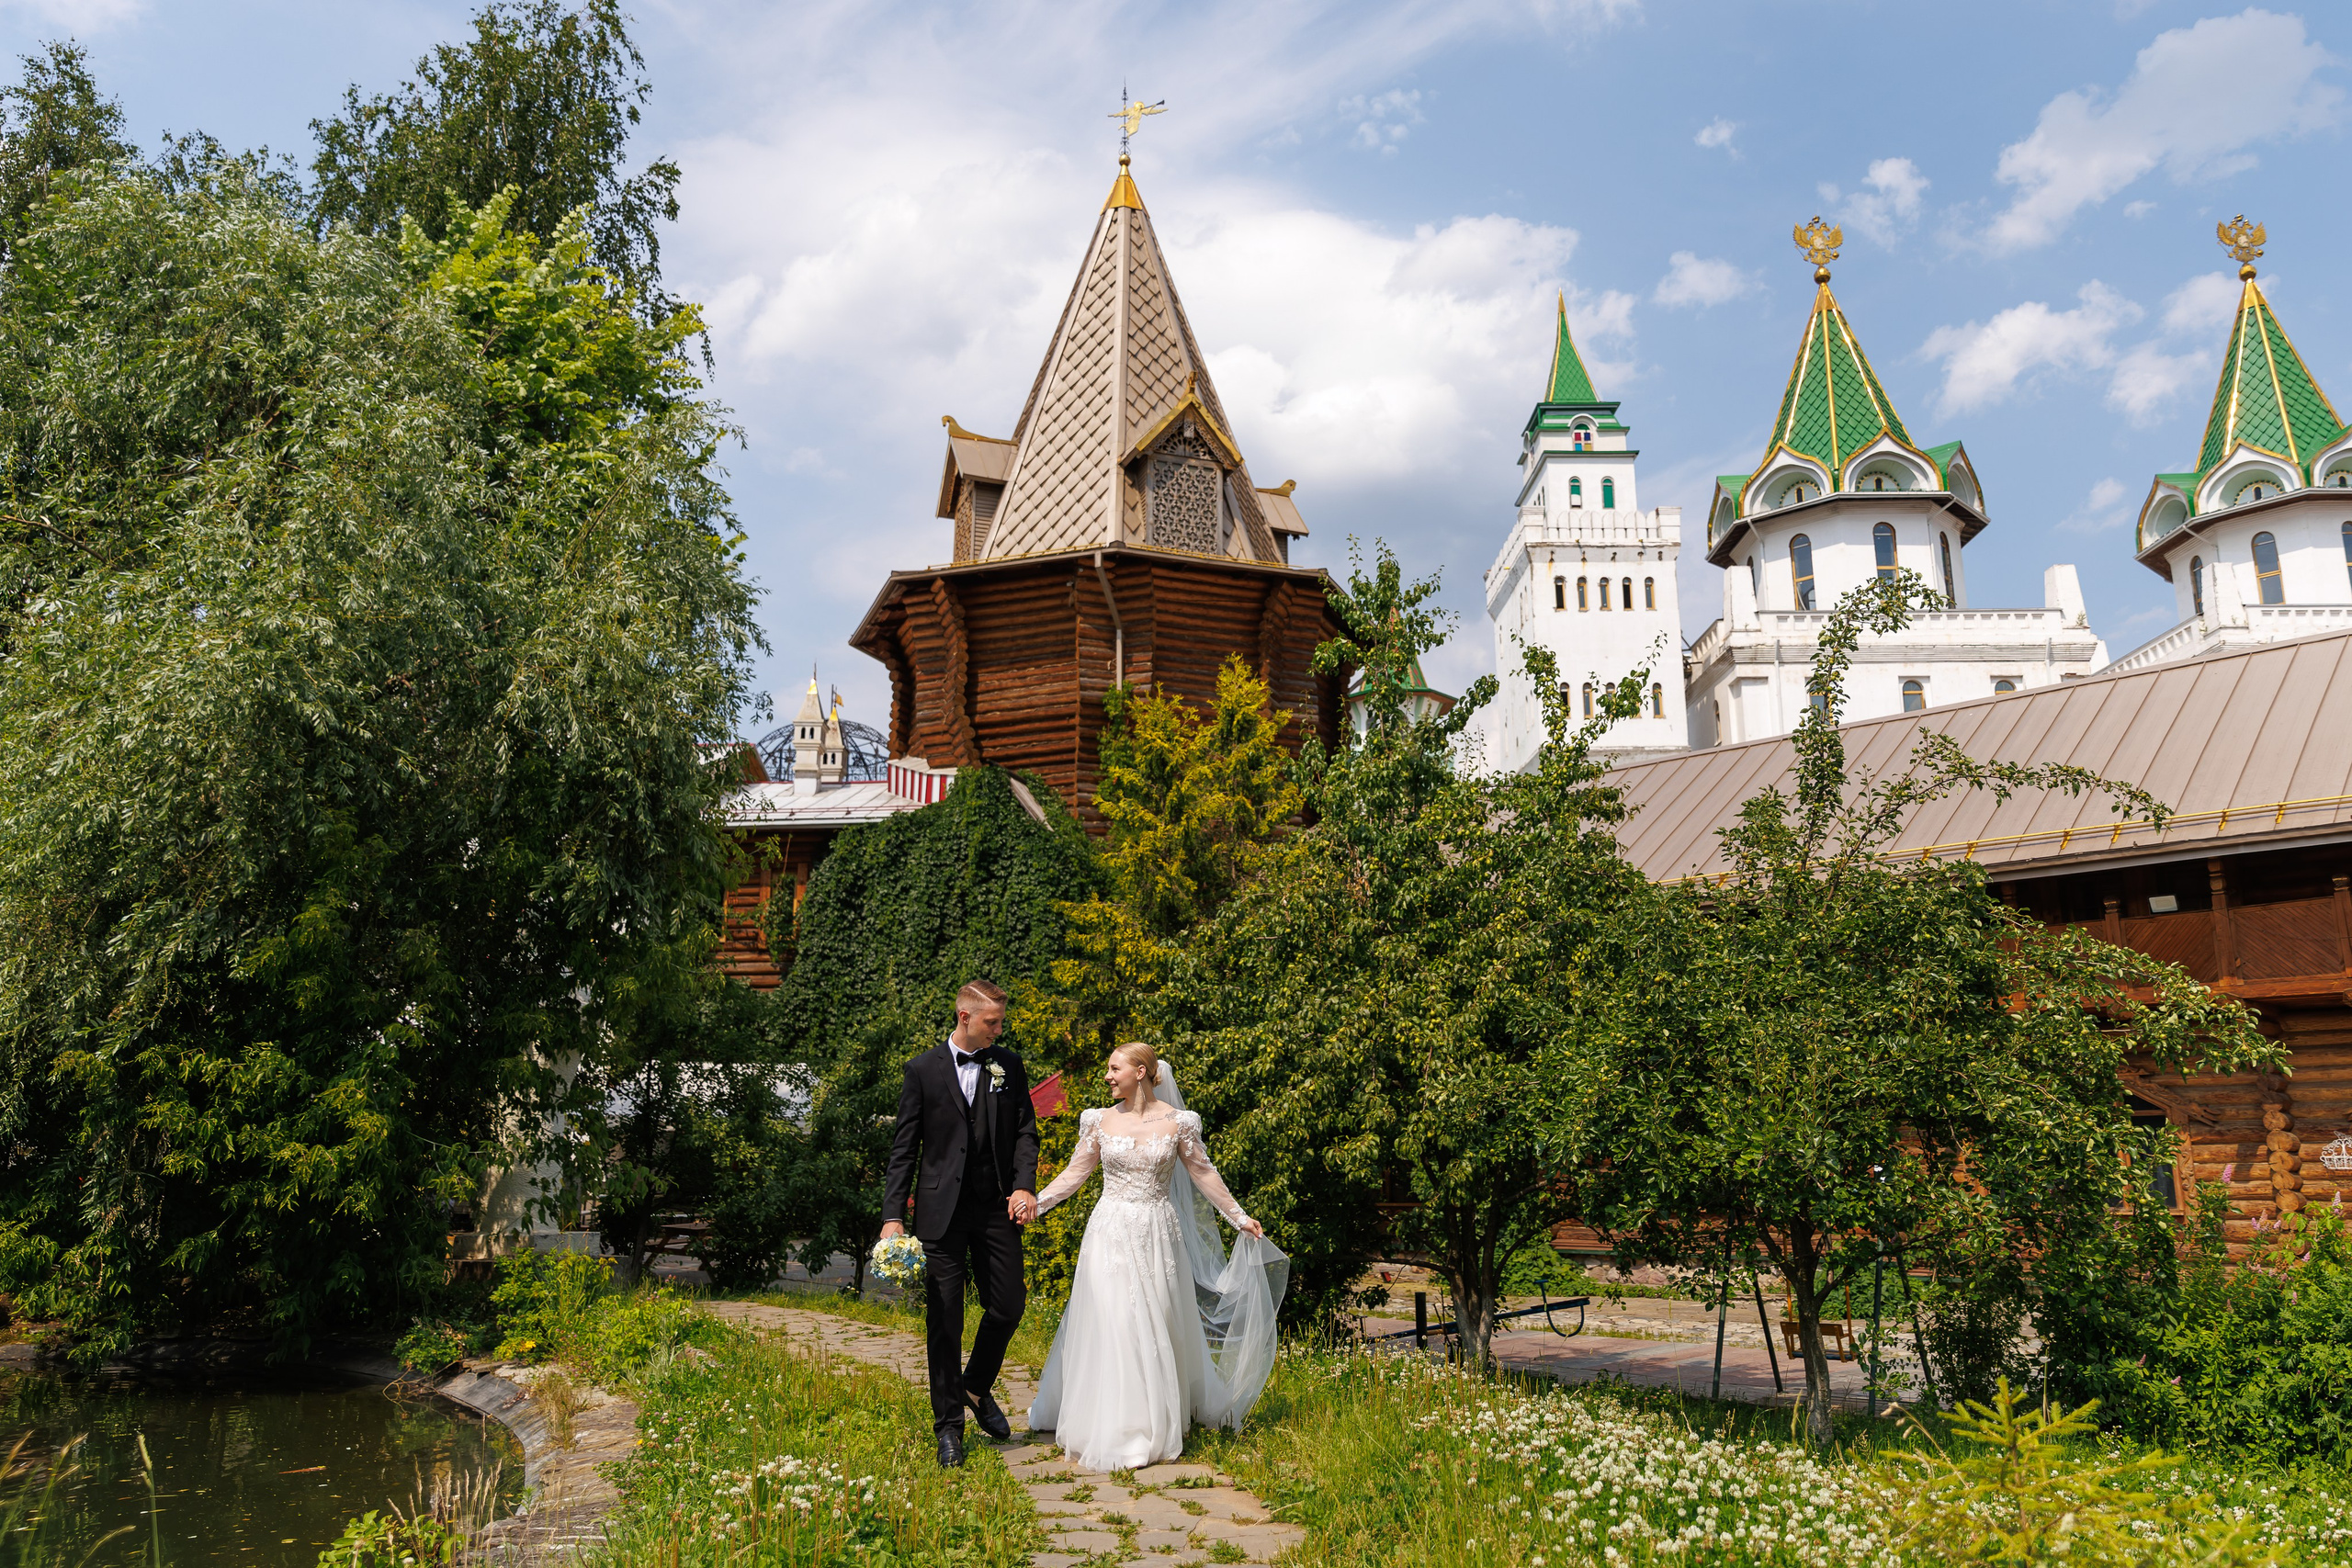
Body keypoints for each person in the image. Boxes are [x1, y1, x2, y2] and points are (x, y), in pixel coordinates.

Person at [1026, 1041, 1288, 1472]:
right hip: (1109, 1230)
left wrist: (1239, 1216)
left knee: (1153, 1319)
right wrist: (1039, 1202)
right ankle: (1111, 1419)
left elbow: (1203, 1172)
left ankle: (1149, 1421)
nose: (1108, 1077)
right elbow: (1077, 1172)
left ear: (1142, 1072)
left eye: (1115, 1069)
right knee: (1113, 1319)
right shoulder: (1098, 1120)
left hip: (1156, 1232)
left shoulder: (1178, 1124)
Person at [879, 979, 1038, 1469]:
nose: (999, 1029)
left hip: (995, 1207)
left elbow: (1026, 1132)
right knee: (944, 1320)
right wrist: (892, 1216)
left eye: (1001, 1022)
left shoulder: (1008, 1065)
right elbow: (905, 1148)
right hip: (939, 1214)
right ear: (965, 1016)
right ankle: (948, 1427)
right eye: (992, 1022)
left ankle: (975, 1384)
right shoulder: (922, 1070)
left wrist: (1025, 1185)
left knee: (1008, 1305)